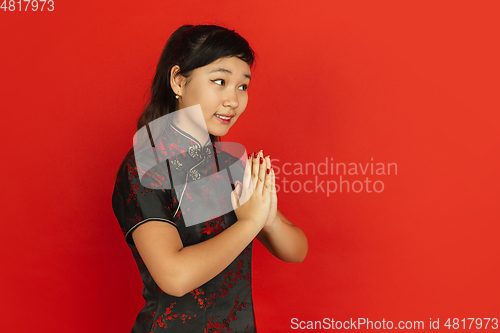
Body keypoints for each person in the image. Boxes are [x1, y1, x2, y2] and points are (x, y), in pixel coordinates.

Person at [111, 24, 308, 333]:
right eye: (220, 81)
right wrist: (249, 224)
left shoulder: (228, 164)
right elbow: (174, 277)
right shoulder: (144, 166)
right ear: (178, 80)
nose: (234, 100)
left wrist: (267, 217)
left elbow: (297, 250)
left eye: (242, 86)